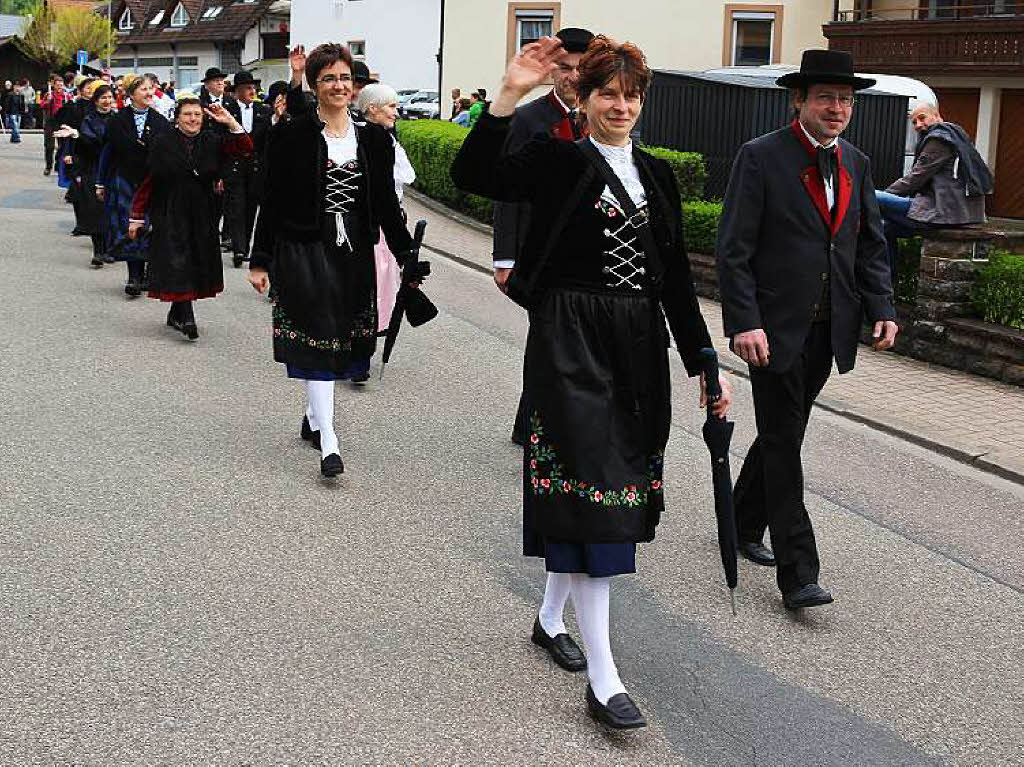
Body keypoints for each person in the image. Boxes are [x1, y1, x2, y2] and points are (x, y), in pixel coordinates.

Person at [451, 35, 731, 730]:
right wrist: (509, 93)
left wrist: (705, 363)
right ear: (582, 97)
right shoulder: (556, 161)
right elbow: (474, 173)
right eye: (608, 92)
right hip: (569, 343)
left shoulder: (660, 176)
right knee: (597, 497)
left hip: (638, 351)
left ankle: (551, 618)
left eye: (632, 94)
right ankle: (605, 678)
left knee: (602, 489)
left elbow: (673, 283)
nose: (622, 105)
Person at [716, 50, 898, 611]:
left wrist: (882, 306)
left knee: (784, 431)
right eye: (825, 97)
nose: (837, 107)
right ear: (799, 100)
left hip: (829, 329)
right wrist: (743, 321)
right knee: (784, 439)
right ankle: (798, 571)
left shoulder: (857, 163)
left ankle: (744, 521)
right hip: (771, 330)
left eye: (845, 99)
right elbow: (734, 248)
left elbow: (868, 243)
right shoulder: (760, 157)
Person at [247, 43, 419, 478]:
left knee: (338, 339)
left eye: (344, 78)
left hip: (353, 251)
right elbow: (272, 200)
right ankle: (330, 440)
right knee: (317, 337)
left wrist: (407, 259)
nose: (339, 86)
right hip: (303, 248)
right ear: (315, 84)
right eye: (329, 78)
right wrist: (259, 259)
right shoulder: (291, 135)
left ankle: (312, 414)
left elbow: (384, 204)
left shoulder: (375, 138)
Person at [492, 26, 594, 445]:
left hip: (588, 254)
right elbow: (507, 195)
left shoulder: (603, 116)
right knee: (549, 338)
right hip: (540, 252)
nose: (572, 76)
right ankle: (536, 425)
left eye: (581, 69)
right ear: (552, 70)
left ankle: (549, 421)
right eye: (564, 68)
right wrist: (505, 258)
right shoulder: (530, 120)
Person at [127, 99, 253, 340]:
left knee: (194, 262)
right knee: (177, 261)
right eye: (187, 114)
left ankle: (177, 311)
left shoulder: (211, 141)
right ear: (177, 117)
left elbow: (245, 149)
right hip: (169, 209)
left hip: (203, 211)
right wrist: (137, 216)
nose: (193, 119)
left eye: (197, 114)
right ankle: (187, 317)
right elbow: (149, 180)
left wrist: (231, 122)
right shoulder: (162, 142)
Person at [875, 99, 993, 282]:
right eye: (914, 122)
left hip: (943, 212)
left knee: (871, 196)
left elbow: (915, 178)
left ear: (937, 116)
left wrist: (884, 196)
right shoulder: (955, 135)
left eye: (922, 118)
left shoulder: (939, 139)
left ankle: (886, 284)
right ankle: (888, 285)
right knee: (884, 228)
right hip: (958, 212)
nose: (918, 125)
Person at [356, 82, 417, 354]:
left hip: (388, 223)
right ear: (372, 109)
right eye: (391, 107)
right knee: (368, 280)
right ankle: (361, 341)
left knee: (383, 279)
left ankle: (372, 333)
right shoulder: (360, 138)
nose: (396, 113)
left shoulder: (388, 138)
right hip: (366, 224)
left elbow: (405, 178)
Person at [99, 73, 171, 296]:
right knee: (129, 226)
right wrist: (100, 182)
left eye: (151, 89)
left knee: (152, 226)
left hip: (153, 181)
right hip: (126, 179)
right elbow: (108, 153)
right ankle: (134, 275)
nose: (149, 93)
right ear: (131, 95)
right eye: (143, 90)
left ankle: (149, 272)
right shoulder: (117, 120)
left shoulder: (161, 122)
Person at [222, 70, 272, 268]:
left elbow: (268, 139)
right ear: (238, 91)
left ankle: (246, 246)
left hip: (255, 167)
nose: (252, 91)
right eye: (248, 88)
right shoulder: (227, 109)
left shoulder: (264, 110)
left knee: (251, 208)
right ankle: (239, 248)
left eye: (254, 88)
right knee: (236, 207)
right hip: (234, 166)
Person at [74, 83, 118, 267]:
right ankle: (98, 251)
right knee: (96, 210)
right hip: (93, 168)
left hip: (115, 170)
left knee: (113, 210)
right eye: (103, 98)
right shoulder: (89, 120)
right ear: (96, 101)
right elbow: (86, 146)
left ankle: (110, 249)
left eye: (110, 97)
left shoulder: (118, 119)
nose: (107, 101)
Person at [40, 74, 68, 176]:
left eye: (61, 85)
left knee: (62, 146)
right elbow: (42, 105)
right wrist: (48, 101)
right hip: (50, 122)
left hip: (62, 122)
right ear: (54, 85)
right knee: (49, 146)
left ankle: (58, 164)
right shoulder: (49, 94)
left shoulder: (66, 96)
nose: (60, 87)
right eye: (58, 85)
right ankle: (48, 166)